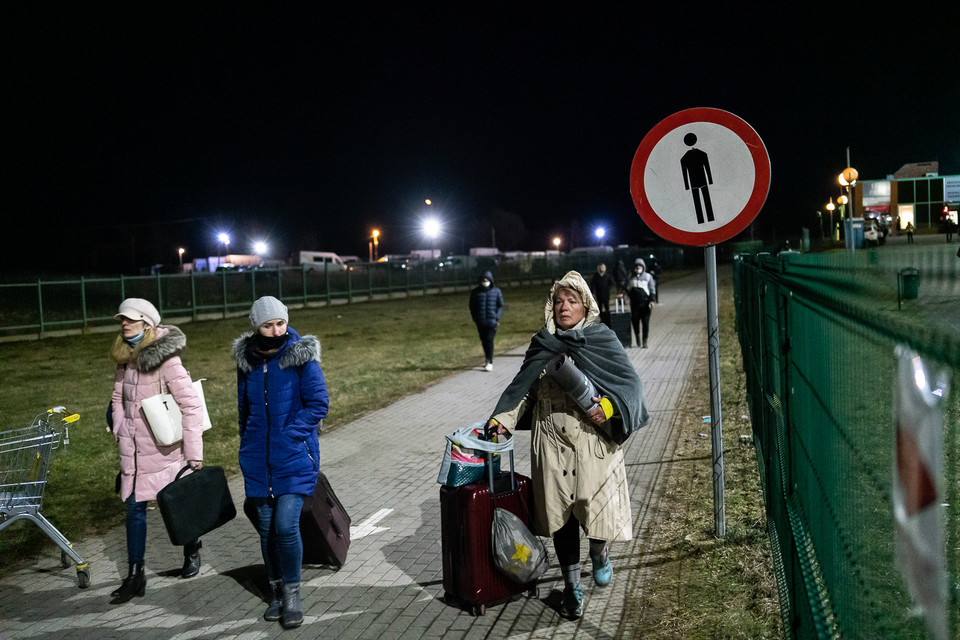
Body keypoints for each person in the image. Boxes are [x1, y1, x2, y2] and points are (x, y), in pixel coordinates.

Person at [485, 271, 649, 620]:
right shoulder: (543, 343)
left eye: (571, 300)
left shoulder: (601, 338)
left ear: (585, 304)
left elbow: (629, 384)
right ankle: (573, 588)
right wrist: (503, 420)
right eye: (558, 300)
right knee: (561, 519)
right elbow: (523, 388)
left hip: (593, 441)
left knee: (596, 508)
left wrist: (609, 407)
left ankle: (600, 553)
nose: (564, 307)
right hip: (551, 443)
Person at [232, 296, 328, 629]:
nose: (275, 331)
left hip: (294, 456)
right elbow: (243, 409)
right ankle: (274, 591)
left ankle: (292, 595)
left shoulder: (301, 356)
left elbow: (318, 403)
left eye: (281, 323)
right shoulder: (246, 361)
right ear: (255, 325)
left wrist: (290, 436)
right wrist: (247, 443)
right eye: (268, 325)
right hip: (258, 459)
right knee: (266, 532)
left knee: (286, 526)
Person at [108, 298, 204, 604]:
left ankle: (191, 548)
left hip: (166, 452)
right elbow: (116, 398)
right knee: (134, 510)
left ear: (147, 323)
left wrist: (194, 453)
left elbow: (191, 406)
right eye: (121, 319)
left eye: (130, 319)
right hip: (135, 452)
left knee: (176, 506)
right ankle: (135, 576)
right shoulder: (125, 357)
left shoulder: (167, 360)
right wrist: (121, 428)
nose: (123, 323)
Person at [468, 271, 504, 371]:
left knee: (489, 340)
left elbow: (500, 305)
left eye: (487, 280)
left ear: (491, 280)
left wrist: (497, 317)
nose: (485, 281)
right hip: (480, 322)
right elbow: (472, 306)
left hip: (492, 322)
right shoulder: (475, 292)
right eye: (483, 280)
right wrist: (475, 318)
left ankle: (490, 361)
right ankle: (487, 359)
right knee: (484, 341)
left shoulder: (497, 291)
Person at [626, 258, 657, 348]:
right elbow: (628, 288)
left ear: (643, 267)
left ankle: (645, 341)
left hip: (645, 304)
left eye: (640, 265)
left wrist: (652, 300)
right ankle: (638, 337)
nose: (638, 267)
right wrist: (624, 295)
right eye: (637, 266)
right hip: (635, 305)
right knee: (635, 322)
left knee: (645, 323)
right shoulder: (631, 276)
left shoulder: (648, 276)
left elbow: (652, 289)